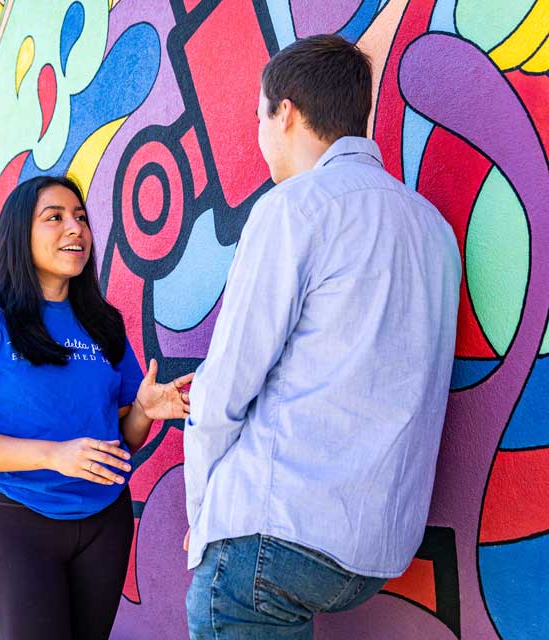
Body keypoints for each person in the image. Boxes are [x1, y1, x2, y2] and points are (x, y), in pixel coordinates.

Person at [182, 34, 462, 639]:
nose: (259, 135)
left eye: (259, 115)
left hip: (271, 534)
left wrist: (201, 514)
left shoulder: (295, 208)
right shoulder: (435, 231)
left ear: (284, 112)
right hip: (372, 551)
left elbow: (227, 382)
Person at [0, 175, 193, 640]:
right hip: (16, 516)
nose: (75, 228)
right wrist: (54, 455)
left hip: (104, 520)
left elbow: (124, 438)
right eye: (54, 218)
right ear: (20, 233)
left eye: (80, 218)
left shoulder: (102, 322)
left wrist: (143, 412)